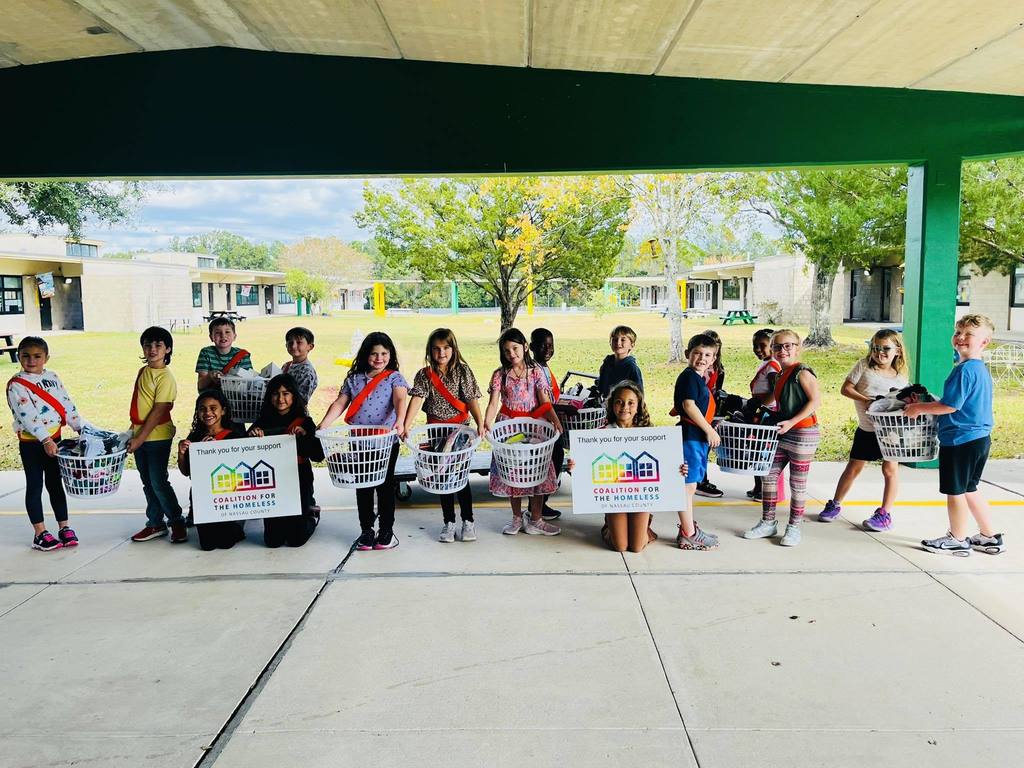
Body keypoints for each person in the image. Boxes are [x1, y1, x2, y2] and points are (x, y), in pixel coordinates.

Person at [905, 314, 1004, 556]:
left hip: (960, 440)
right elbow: (955, 403)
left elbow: (951, 407)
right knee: (970, 487)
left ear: (984, 342)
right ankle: (989, 536)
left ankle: (957, 539)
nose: (960, 338)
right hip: (978, 439)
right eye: (958, 332)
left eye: (968, 334)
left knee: (956, 490)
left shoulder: (965, 371)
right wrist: (931, 402)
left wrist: (918, 408)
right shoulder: (978, 369)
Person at [319, 332, 408, 551]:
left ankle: (387, 531)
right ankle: (366, 530)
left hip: (385, 443)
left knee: (385, 486)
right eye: (374, 354)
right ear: (365, 355)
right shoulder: (354, 379)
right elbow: (340, 403)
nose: (379, 358)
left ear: (390, 355)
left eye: (384, 353)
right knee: (364, 487)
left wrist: (400, 421)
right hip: (359, 442)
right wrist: (324, 424)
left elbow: (400, 398)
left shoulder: (394, 377)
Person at [574, 381, 686, 553]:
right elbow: (588, 465)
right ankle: (608, 528)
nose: (624, 407)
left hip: (641, 497)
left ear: (638, 406)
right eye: (619, 401)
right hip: (613, 498)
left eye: (631, 402)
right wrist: (576, 465)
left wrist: (678, 469)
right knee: (620, 546)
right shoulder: (601, 433)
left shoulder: (650, 434)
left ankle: (645, 529)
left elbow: (664, 464)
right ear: (612, 405)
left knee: (636, 547)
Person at [818, 329, 910, 531]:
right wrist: (866, 400)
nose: (880, 353)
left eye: (886, 348)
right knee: (854, 468)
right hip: (866, 430)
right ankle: (835, 504)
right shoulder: (864, 366)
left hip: (890, 433)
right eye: (875, 348)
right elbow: (846, 388)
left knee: (890, 470)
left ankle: (884, 514)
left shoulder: (901, 379)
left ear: (898, 351)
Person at [404, 328, 485, 543]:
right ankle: (449, 522)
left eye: (446, 348)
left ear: (454, 348)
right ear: (430, 351)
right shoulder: (424, 375)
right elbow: (417, 400)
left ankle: (468, 521)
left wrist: (480, 423)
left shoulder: (463, 372)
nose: (442, 353)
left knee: (460, 477)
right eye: (437, 349)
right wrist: (405, 425)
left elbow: (471, 399)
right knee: (443, 477)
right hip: (436, 433)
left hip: (460, 432)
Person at [6, 337, 86, 551]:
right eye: (26, 356)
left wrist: (80, 427)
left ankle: (64, 527)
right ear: (19, 356)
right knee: (35, 485)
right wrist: (45, 439)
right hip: (33, 443)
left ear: (46, 358)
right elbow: (27, 415)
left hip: (55, 439)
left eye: (37, 356)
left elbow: (66, 403)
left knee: (55, 484)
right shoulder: (17, 384)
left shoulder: (52, 377)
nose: (31, 360)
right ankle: (40, 533)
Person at [743, 329, 821, 547]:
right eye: (777, 346)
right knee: (768, 475)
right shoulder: (778, 375)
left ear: (798, 347)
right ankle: (768, 522)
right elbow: (776, 403)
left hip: (803, 432)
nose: (782, 350)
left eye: (788, 345)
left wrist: (792, 422)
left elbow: (815, 402)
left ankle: (794, 527)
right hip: (782, 431)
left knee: (798, 483)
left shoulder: (802, 372)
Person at [483, 328, 563, 536]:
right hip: (509, 427)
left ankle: (536, 518)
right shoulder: (500, 375)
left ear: (525, 347)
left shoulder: (536, 371)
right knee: (513, 472)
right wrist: (485, 423)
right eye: (507, 350)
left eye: (515, 348)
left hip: (535, 425)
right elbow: (493, 404)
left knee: (537, 470)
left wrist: (555, 421)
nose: (512, 354)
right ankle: (517, 517)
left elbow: (545, 401)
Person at [250, 374, 324, 548]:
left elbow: (318, 455)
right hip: (271, 482)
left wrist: (305, 436)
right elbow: (247, 455)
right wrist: (252, 437)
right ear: (269, 397)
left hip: (298, 479)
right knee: (273, 542)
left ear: (293, 396)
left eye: (286, 393)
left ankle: (311, 517)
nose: (280, 398)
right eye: (275, 394)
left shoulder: (305, 422)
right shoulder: (262, 422)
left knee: (296, 540)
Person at [129, 326, 186, 544]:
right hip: (139, 435)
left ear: (168, 349)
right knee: (147, 482)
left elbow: (158, 411)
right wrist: (133, 433)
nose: (152, 349)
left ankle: (176, 521)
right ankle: (155, 523)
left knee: (158, 481)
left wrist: (139, 439)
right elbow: (140, 405)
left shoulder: (165, 377)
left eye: (158, 345)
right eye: (147, 345)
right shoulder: (144, 372)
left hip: (157, 437)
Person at [177, 390, 247, 550]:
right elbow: (186, 472)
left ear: (223, 410)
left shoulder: (234, 437)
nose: (208, 412)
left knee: (226, 543)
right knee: (207, 545)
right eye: (202, 409)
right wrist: (181, 454)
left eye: (213, 408)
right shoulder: (195, 437)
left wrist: (216, 452)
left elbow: (241, 473)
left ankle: (238, 526)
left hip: (227, 497)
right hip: (203, 498)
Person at [672, 334, 721, 550]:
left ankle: (689, 528)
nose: (702, 358)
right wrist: (709, 429)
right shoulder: (689, 377)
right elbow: (689, 405)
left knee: (690, 485)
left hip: (695, 436)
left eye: (707, 355)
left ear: (713, 359)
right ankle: (688, 533)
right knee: (687, 485)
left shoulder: (698, 378)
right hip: (690, 436)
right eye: (697, 353)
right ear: (687, 355)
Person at [529, 327, 565, 521]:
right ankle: (538, 506)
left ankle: (541, 504)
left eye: (551, 345)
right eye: (543, 345)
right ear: (532, 346)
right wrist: (564, 410)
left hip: (548, 421)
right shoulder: (534, 369)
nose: (547, 349)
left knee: (553, 459)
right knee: (546, 463)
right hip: (541, 424)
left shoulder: (543, 367)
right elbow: (543, 402)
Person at [745, 328, 779, 501]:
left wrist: (760, 405)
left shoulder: (773, 366)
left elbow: (775, 391)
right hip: (760, 412)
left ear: (772, 346)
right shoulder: (766, 363)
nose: (758, 349)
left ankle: (763, 489)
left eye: (762, 345)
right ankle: (758, 486)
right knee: (755, 449)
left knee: (761, 452)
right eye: (755, 345)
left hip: (766, 414)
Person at [694, 328, 725, 498]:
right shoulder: (697, 370)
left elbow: (715, 392)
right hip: (699, 414)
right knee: (698, 447)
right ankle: (699, 480)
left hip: (710, 412)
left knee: (704, 448)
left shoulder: (718, 369)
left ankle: (701, 478)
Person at [195, 317, 253, 392]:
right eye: (217, 332)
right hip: (212, 398)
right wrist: (210, 376)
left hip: (235, 398)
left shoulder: (243, 355)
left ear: (234, 336)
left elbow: (250, 382)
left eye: (227, 332)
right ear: (211, 337)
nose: (223, 335)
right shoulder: (206, 353)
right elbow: (201, 385)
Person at [595, 325, 644, 398]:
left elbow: (639, 395)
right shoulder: (607, 364)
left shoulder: (632, 368)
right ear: (610, 343)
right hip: (603, 404)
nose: (618, 343)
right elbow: (601, 386)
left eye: (623, 340)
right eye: (615, 339)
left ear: (632, 345)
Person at [282, 326, 318, 406]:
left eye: (299, 342)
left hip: (295, 415)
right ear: (286, 345)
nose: (293, 346)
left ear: (310, 347)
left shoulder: (307, 371)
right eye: (290, 343)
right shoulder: (286, 366)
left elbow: (301, 401)